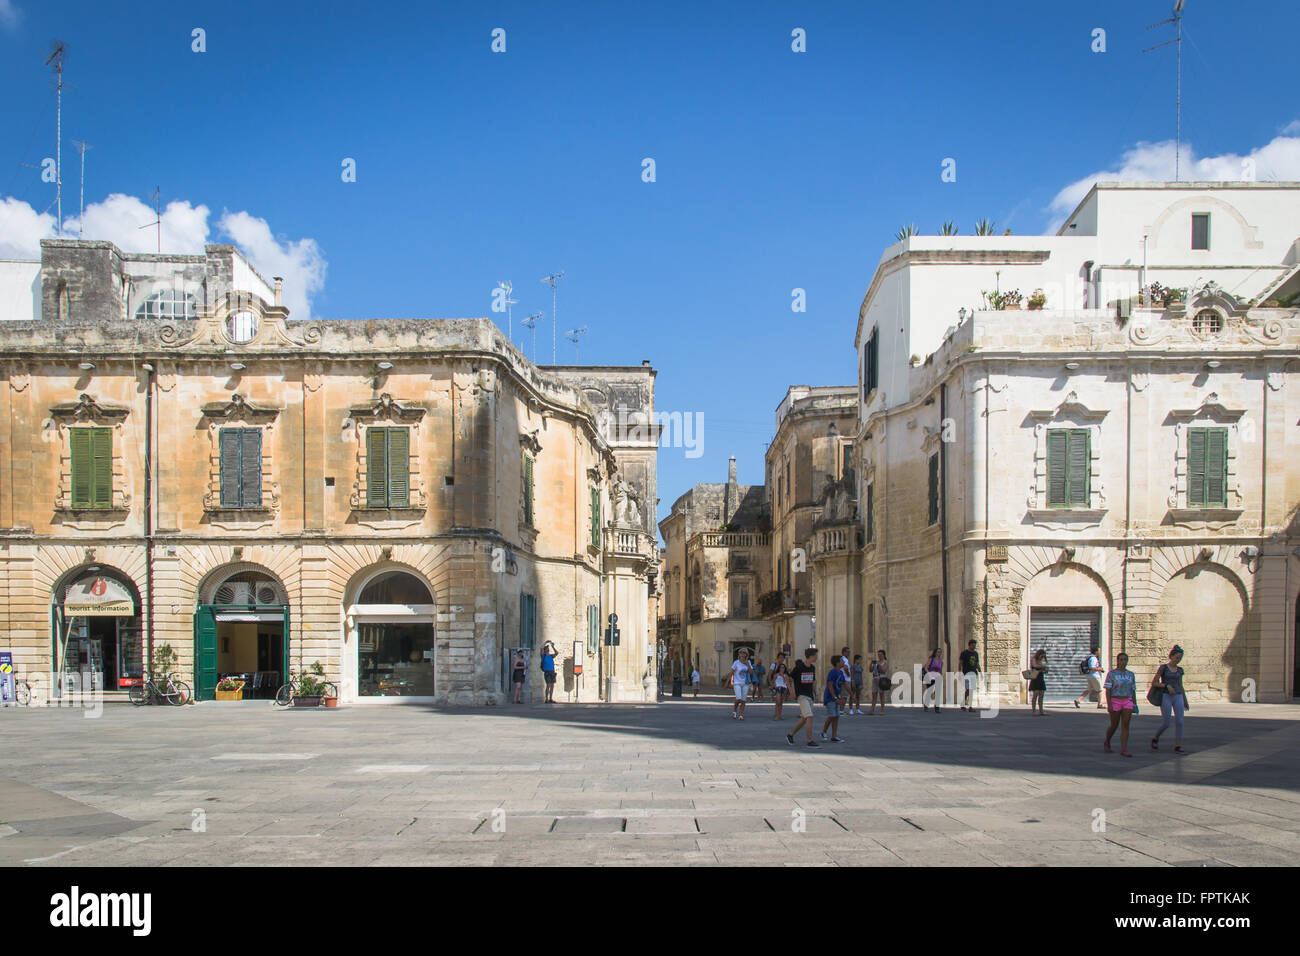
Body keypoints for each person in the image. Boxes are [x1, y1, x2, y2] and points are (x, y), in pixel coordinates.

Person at [1150, 645, 1189, 754]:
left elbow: (1180, 685)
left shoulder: (1180, 670)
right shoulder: (1163, 668)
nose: (1178, 660)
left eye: (1180, 658)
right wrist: (1166, 685)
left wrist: (1185, 700)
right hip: (1166, 695)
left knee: (1180, 721)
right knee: (1166, 722)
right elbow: (1155, 682)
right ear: (1171, 657)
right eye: (1177, 657)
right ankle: (1156, 737)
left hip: (1178, 695)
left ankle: (1178, 745)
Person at [1103, 652, 1139, 756]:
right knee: (1114, 724)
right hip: (1115, 700)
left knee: (1126, 724)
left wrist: (1134, 704)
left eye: (1125, 660)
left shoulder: (1130, 674)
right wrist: (1109, 704)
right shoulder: (1112, 674)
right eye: (1121, 659)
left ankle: (1124, 749)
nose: (1123, 662)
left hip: (1127, 700)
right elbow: (1108, 689)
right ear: (1117, 661)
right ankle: (1107, 740)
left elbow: (1133, 690)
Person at [785, 647, 820, 747]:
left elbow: (813, 682)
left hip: (810, 696)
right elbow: (788, 678)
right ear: (812, 656)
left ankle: (790, 735)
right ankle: (810, 740)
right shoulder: (799, 667)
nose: (817, 657)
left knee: (805, 718)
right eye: (816, 655)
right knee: (809, 716)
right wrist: (791, 692)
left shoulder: (812, 668)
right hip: (801, 696)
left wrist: (816, 694)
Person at [821, 655, 847, 742]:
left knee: (836, 716)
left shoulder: (841, 673)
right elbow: (830, 685)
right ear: (837, 663)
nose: (843, 662)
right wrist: (835, 697)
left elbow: (844, 684)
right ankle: (824, 731)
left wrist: (851, 694)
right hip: (830, 697)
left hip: (836, 697)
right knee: (832, 715)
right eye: (842, 661)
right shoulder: (832, 672)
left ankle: (834, 736)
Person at [1075, 645, 1105, 710]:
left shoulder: (1090, 657)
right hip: (1094, 676)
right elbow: (1092, 667)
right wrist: (1099, 669)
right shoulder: (1093, 658)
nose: (1100, 651)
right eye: (1099, 650)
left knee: (1089, 689)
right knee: (1099, 690)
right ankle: (1099, 704)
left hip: (1090, 676)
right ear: (1096, 651)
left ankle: (1078, 700)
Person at [729, 649, 752, 720]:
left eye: (744, 653)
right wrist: (729, 681)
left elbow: (751, 672)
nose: (742, 654)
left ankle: (741, 714)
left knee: (743, 700)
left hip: (745, 683)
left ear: (746, 655)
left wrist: (747, 664)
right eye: (741, 653)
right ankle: (734, 711)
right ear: (739, 654)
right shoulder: (736, 662)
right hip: (737, 683)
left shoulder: (748, 662)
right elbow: (732, 672)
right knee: (738, 698)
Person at [959, 640, 980, 712]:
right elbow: (960, 662)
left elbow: (977, 663)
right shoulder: (964, 653)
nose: (974, 646)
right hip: (966, 673)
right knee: (968, 689)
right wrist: (959, 672)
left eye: (975, 645)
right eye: (973, 645)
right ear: (969, 645)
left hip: (974, 673)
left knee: (970, 690)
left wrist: (980, 671)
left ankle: (967, 705)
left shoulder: (976, 654)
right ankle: (966, 704)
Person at [869, 649, 889, 715]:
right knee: (874, 695)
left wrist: (879, 665)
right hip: (875, 678)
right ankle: (872, 710)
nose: (879, 656)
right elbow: (870, 670)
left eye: (880, 655)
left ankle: (882, 710)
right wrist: (871, 663)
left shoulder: (885, 662)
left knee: (881, 695)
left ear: (883, 655)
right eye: (878, 655)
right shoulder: (876, 662)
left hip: (881, 678)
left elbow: (884, 670)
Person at [1028, 649, 1048, 715]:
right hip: (1035, 679)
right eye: (1041, 656)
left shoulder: (1040, 661)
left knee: (1041, 694)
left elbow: (1040, 669)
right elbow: (1034, 666)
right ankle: (1034, 711)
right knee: (1035, 694)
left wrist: (1045, 670)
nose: (1042, 658)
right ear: (1039, 654)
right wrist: (1043, 666)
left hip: (1041, 678)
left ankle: (1041, 711)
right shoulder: (1033, 659)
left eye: (1043, 657)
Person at [770, 655, 789, 720]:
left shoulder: (786, 675)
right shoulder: (776, 675)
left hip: (783, 688)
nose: (782, 669)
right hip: (778, 688)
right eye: (781, 667)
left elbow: (786, 682)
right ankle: (776, 714)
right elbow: (773, 681)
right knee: (778, 701)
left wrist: (782, 676)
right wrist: (773, 687)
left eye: (783, 668)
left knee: (781, 702)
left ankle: (779, 715)